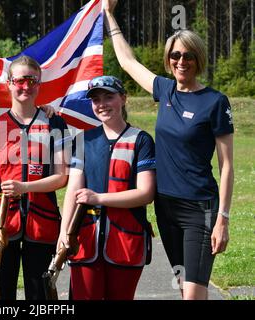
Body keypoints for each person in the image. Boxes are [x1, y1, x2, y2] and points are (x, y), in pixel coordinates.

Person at [103, 0, 234, 300]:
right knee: (183, 285)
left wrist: (223, 218)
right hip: (166, 207)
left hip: (199, 209)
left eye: (188, 55)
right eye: (175, 55)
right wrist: (109, 15)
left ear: (198, 58)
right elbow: (127, 62)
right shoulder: (165, 90)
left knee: (192, 294)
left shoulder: (216, 102)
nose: (181, 61)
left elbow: (227, 165)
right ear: (168, 59)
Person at [58, 75, 156, 300]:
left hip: (126, 240)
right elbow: (73, 189)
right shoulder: (83, 140)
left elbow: (145, 193)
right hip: (85, 238)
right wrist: (64, 232)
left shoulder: (141, 140)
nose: (101, 104)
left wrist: (99, 198)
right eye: (96, 99)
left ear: (123, 98)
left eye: (108, 97)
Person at [0, 55, 69, 300]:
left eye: (32, 81)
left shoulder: (55, 122)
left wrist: (24, 186)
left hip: (41, 220)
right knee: (0, 291)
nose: (26, 86)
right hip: (1, 222)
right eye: (20, 80)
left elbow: (61, 176)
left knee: (40, 293)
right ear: (9, 83)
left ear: (39, 85)